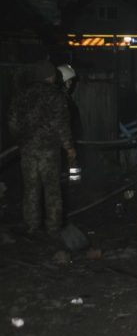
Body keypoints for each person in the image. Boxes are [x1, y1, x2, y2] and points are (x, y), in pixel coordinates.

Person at [8, 61, 76, 234]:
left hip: (27, 149)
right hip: (49, 150)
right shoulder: (55, 95)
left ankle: (32, 225)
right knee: (52, 189)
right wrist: (69, 147)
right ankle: (53, 227)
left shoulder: (21, 95)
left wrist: (21, 140)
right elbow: (61, 124)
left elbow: (13, 122)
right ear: (51, 76)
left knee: (31, 188)